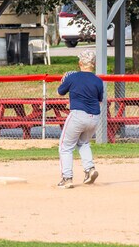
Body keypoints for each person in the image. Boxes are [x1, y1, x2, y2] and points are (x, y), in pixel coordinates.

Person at [56, 49, 103, 188]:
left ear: (80, 62)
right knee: (83, 143)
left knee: (65, 147)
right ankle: (89, 170)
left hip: (77, 115)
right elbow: (99, 100)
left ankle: (67, 178)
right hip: (94, 117)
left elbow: (60, 92)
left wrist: (64, 80)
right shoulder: (98, 81)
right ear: (93, 64)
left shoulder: (73, 77)